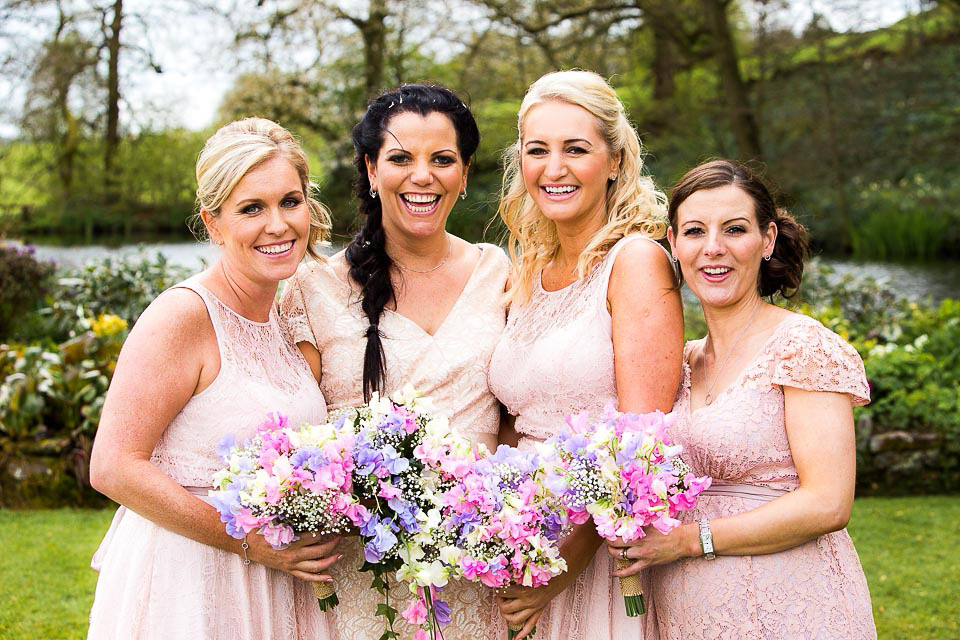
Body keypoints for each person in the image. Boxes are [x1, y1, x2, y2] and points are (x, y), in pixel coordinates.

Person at [88, 118, 342, 640]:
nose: (278, 225)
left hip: (277, 580)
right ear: (214, 223)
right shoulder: (183, 315)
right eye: (252, 209)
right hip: (193, 578)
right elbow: (113, 467)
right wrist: (248, 540)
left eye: (290, 202)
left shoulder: (285, 317)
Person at [607, 159, 877, 639]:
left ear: (767, 240)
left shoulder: (803, 348)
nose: (714, 249)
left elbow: (829, 503)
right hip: (689, 614)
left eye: (734, 230)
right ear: (674, 243)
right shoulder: (681, 365)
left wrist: (690, 541)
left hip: (792, 607)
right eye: (694, 231)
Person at [280, 84, 510, 640]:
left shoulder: (497, 272)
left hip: (476, 571)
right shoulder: (313, 287)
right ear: (371, 166)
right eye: (401, 158)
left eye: (442, 159)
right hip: (361, 575)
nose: (422, 176)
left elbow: (514, 411)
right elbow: (290, 424)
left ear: (466, 170)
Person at [486, 70, 684, 640]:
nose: (554, 169)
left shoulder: (636, 262)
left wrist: (560, 570)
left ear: (615, 159)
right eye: (537, 150)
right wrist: (507, 537)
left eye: (576, 149)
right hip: (525, 543)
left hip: (600, 553)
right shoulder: (526, 274)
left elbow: (640, 440)